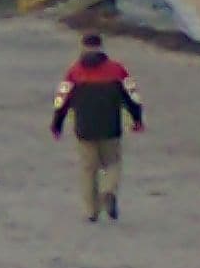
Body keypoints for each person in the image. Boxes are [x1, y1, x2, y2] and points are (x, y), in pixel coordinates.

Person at [50, 33, 146, 222]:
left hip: (84, 128)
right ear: (102, 47)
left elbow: (61, 99)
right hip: (111, 126)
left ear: (83, 47)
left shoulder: (74, 72)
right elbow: (132, 95)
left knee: (88, 169)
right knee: (113, 162)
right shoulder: (118, 70)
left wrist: (57, 124)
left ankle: (91, 211)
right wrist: (137, 118)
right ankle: (108, 191)